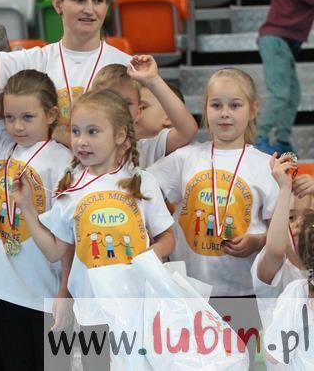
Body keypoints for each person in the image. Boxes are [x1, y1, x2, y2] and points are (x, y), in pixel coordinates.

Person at [14, 90, 175, 368]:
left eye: (93, 132)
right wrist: (26, 207)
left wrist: (152, 254)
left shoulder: (141, 182)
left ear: (120, 135)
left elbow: (168, 237)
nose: (81, 141)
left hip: (140, 308)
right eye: (76, 131)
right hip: (92, 312)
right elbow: (54, 251)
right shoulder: (70, 188)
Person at [0, 44, 73, 371]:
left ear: (51, 115)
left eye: (27, 118)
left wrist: (64, 292)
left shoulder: (63, 162)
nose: (17, 126)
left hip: (45, 293)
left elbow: (70, 236)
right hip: (2, 291)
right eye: (9, 117)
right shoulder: (2, 144)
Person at [0, 0, 132, 147]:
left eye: (98, 0)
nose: (89, 10)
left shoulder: (127, 67)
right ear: (58, 4)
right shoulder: (35, 61)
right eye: (80, 0)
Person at [148, 68, 278, 297]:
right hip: (189, 290)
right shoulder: (185, 158)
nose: (225, 113)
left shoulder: (266, 166)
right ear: (205, 109)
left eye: (235, 105)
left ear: (253, 109)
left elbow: (281, 234)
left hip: (244, 291)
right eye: (216, 105)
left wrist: (258, 241)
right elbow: (140, 189)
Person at [251, 153, 311, 370]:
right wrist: (284, 189)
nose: (299, 224)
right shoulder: (278, 267)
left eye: (310, 218)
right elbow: (276, 249)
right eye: (291, 217)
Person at [256, 0, 314, 155]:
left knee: (293, 95)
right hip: (275, 40)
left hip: (283, 43)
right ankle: (258, 137)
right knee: (280, 93)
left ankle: (282, 139)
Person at [90, 57, 198, 167]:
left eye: (127, 103)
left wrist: (153, 80)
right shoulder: (82, 144)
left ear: (138, 112)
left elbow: (188, 130)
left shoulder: (145, 149)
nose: (119, 108)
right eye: (109, 100)